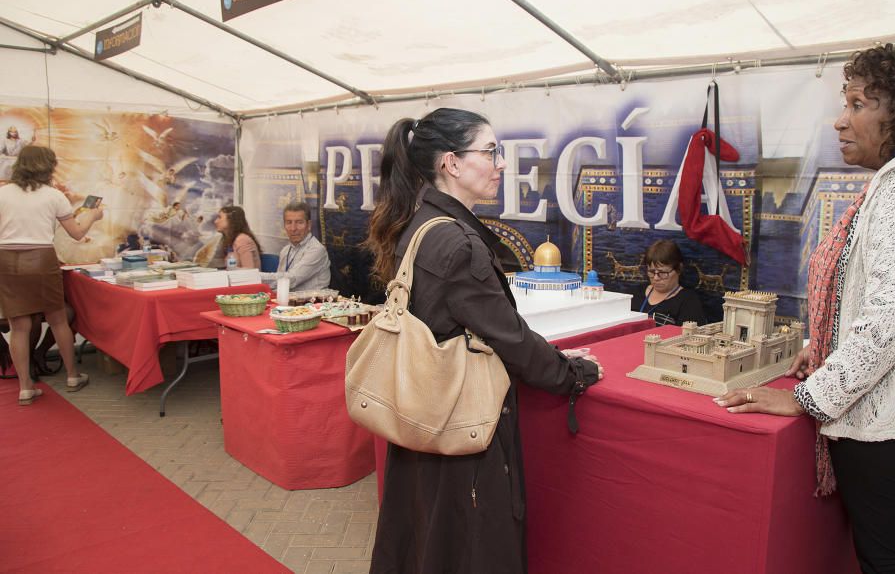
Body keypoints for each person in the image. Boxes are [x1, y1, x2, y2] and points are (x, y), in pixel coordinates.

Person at [715, 44, 895, 574]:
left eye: (860, 104)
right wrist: (826, 347)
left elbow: (892, 320)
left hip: (885, 424)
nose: (841, 120)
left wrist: (810, 397)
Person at [365, 107, 603, 574]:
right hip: (462, 429)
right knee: (470, 548)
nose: (500, 164)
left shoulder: (420, 226)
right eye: (491, 152)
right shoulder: (458, 244)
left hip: (424, 417)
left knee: (425, 542)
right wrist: (571, 372)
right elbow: (509, 338)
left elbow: (488, 326)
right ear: (451, 163)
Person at [0, 146, 104, 404]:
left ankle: (25, 387)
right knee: (58, 319)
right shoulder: (54, 196)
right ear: (49, 167)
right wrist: (92, 215)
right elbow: (77, 233)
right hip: (42, 260)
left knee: (19, 327)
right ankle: (72, 375)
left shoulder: (2, 193)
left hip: (7, 260)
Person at [261, 201, 331, 291]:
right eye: (289, 222)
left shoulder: (316, 250)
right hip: (291, 302)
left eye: (299, 222)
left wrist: (254, 277)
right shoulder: (285, 250)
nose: (293, 228)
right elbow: (280, 284)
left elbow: (292, 279)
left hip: (312, 303)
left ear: (309, 225)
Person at [635, 239, 706, 326]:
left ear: (679, 269)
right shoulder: (634, 294)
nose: (656, 278)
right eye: (652, 272)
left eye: (663, 273)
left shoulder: (689, 302)